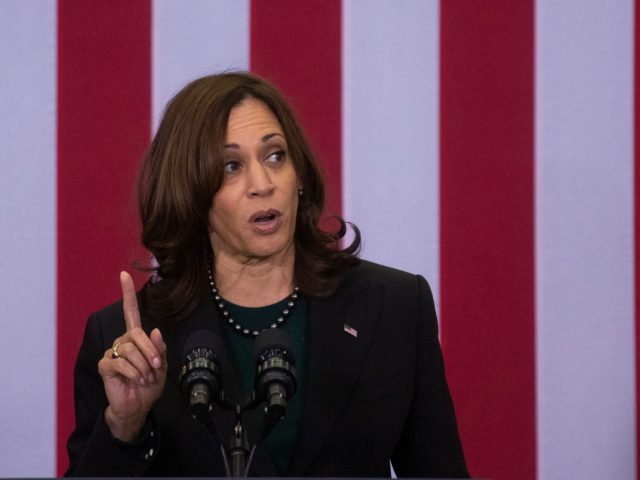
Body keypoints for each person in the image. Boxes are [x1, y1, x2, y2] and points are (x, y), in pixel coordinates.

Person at [65, 72, 468, 478]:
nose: (263, 183)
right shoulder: (127, 342)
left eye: (276, 156)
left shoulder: (393, 306)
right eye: (231, 166)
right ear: (191, 193)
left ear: (299, 177)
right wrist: (124, 426)